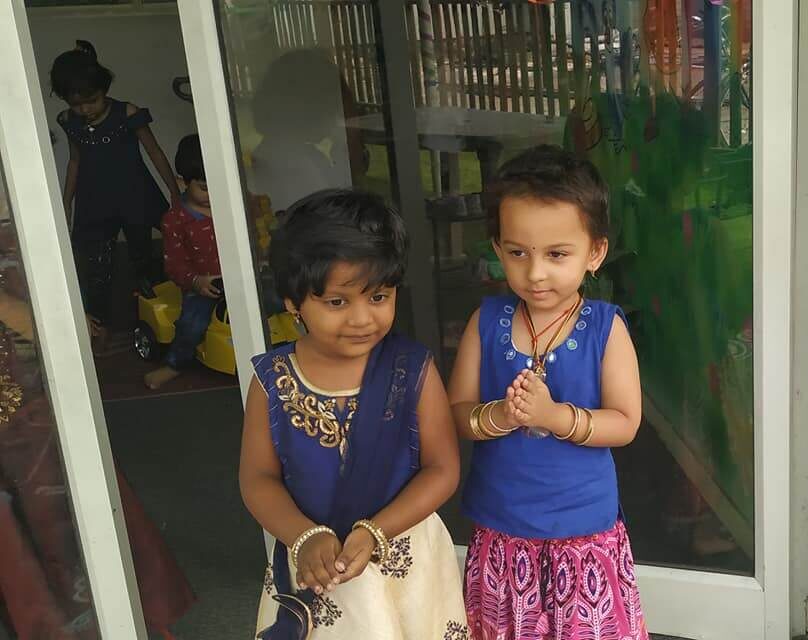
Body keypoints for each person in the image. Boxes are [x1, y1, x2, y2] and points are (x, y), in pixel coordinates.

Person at [240, 189, 468, 639]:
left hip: (404, 562)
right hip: (315, 569)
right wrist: (303, 536)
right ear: (293, 301)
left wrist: (375, 532)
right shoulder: (273, 380)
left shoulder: (412, 369)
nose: (363, 319)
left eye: (379, 297)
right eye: (337, 302)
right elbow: (257, 479)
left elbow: (442, 469)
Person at [448, 146, 649, 640]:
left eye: (557, 254)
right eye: (518, 252)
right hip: (501, 530)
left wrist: (554, 416)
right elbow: (456, 412)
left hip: (583, 533)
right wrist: (501, 415)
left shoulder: (605, 328)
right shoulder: (486, 322)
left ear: (595, 253)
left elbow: (625, 422)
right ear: (498, 249)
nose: (535, 272)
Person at [50, 41, 181, 355]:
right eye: (77, 104)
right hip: (94, 200)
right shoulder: (68, 120)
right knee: (95, 268)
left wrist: (174, 192)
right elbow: (75, 161)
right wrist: (65, 202)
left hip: (135, 195)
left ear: (104, 89)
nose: (86, 109)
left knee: (144, 260)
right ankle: (100, 329)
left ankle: (156, 323)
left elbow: (154, 152)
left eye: (92, 100)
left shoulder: (128, 113)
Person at [144, 134, 220, 390]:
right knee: (192, 323)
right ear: (182, 182)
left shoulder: (234, 204)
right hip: (204, 285)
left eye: (220, 184)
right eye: (205, 188)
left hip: (245, 277)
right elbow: (174, 265)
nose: (213, 194)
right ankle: (174, 364)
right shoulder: (175, 219)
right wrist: (196, 282)